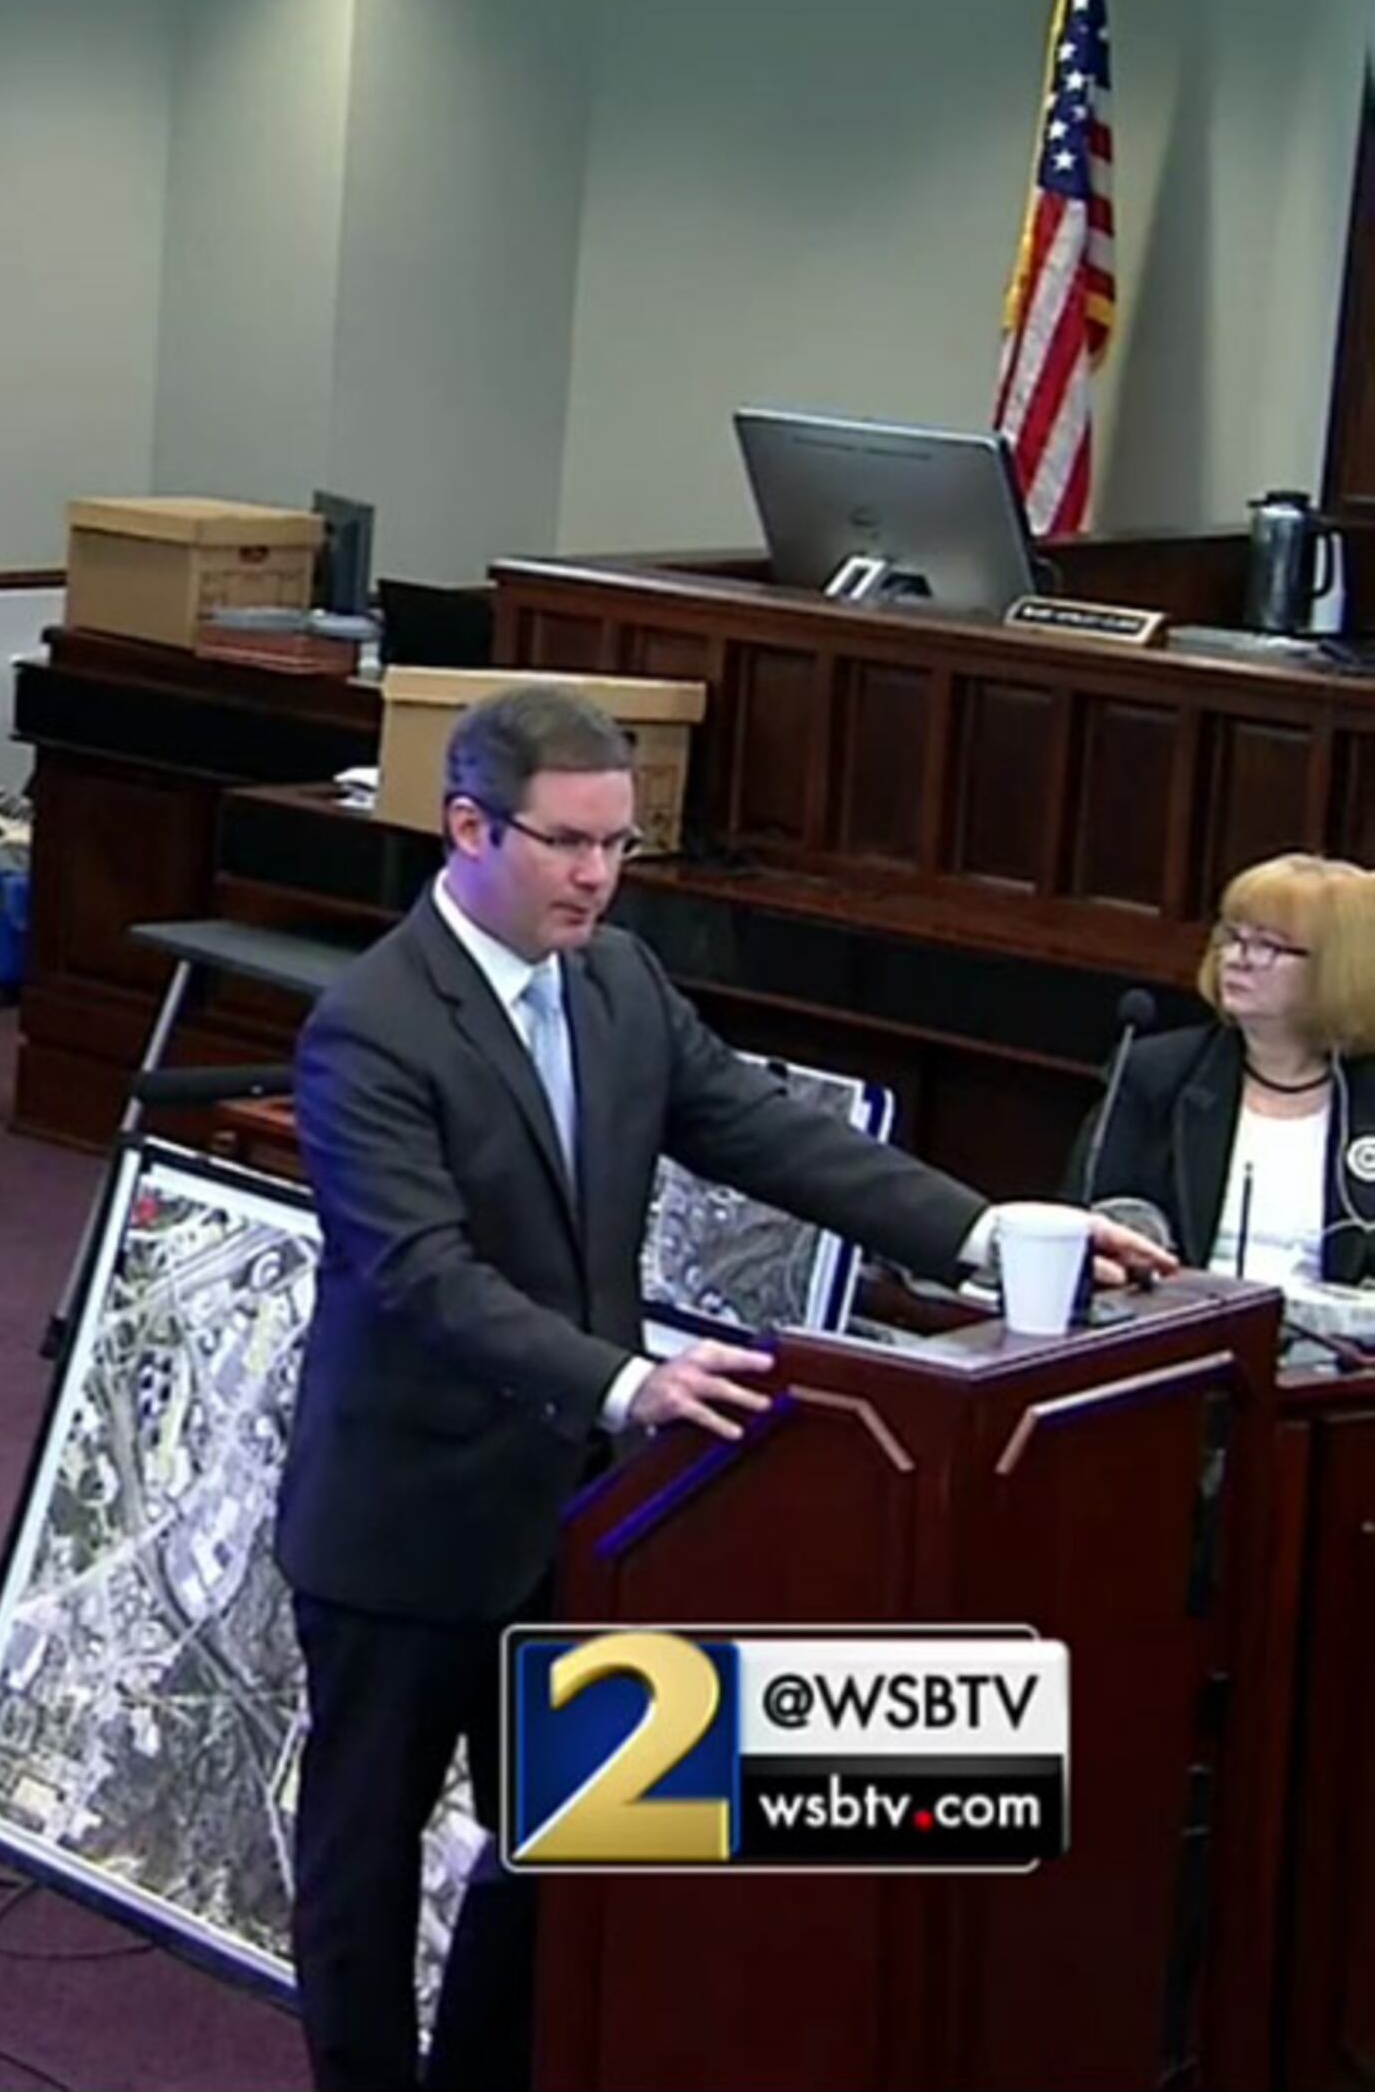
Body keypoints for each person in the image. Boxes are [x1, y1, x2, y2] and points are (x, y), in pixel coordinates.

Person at [271, 682, 1171, 2092]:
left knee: (564, 1841)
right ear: (468, 828)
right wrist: (627, 1381)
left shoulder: (620, 981)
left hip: (579, 1517)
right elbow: (421, 1275)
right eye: (569, 843)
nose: (597, 876)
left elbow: (764, 1130)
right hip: (410, 1518)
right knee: (364, 1870)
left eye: (618, 844)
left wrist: (983, 1232)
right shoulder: (372, 1024)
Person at [1081, 852, 1375, 1284]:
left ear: (1339, 968)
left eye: (1268, 946)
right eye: (1233, 938)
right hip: (1180, 1315)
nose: (1238, 959)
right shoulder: (1156, 1074)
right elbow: (1084, 1224)